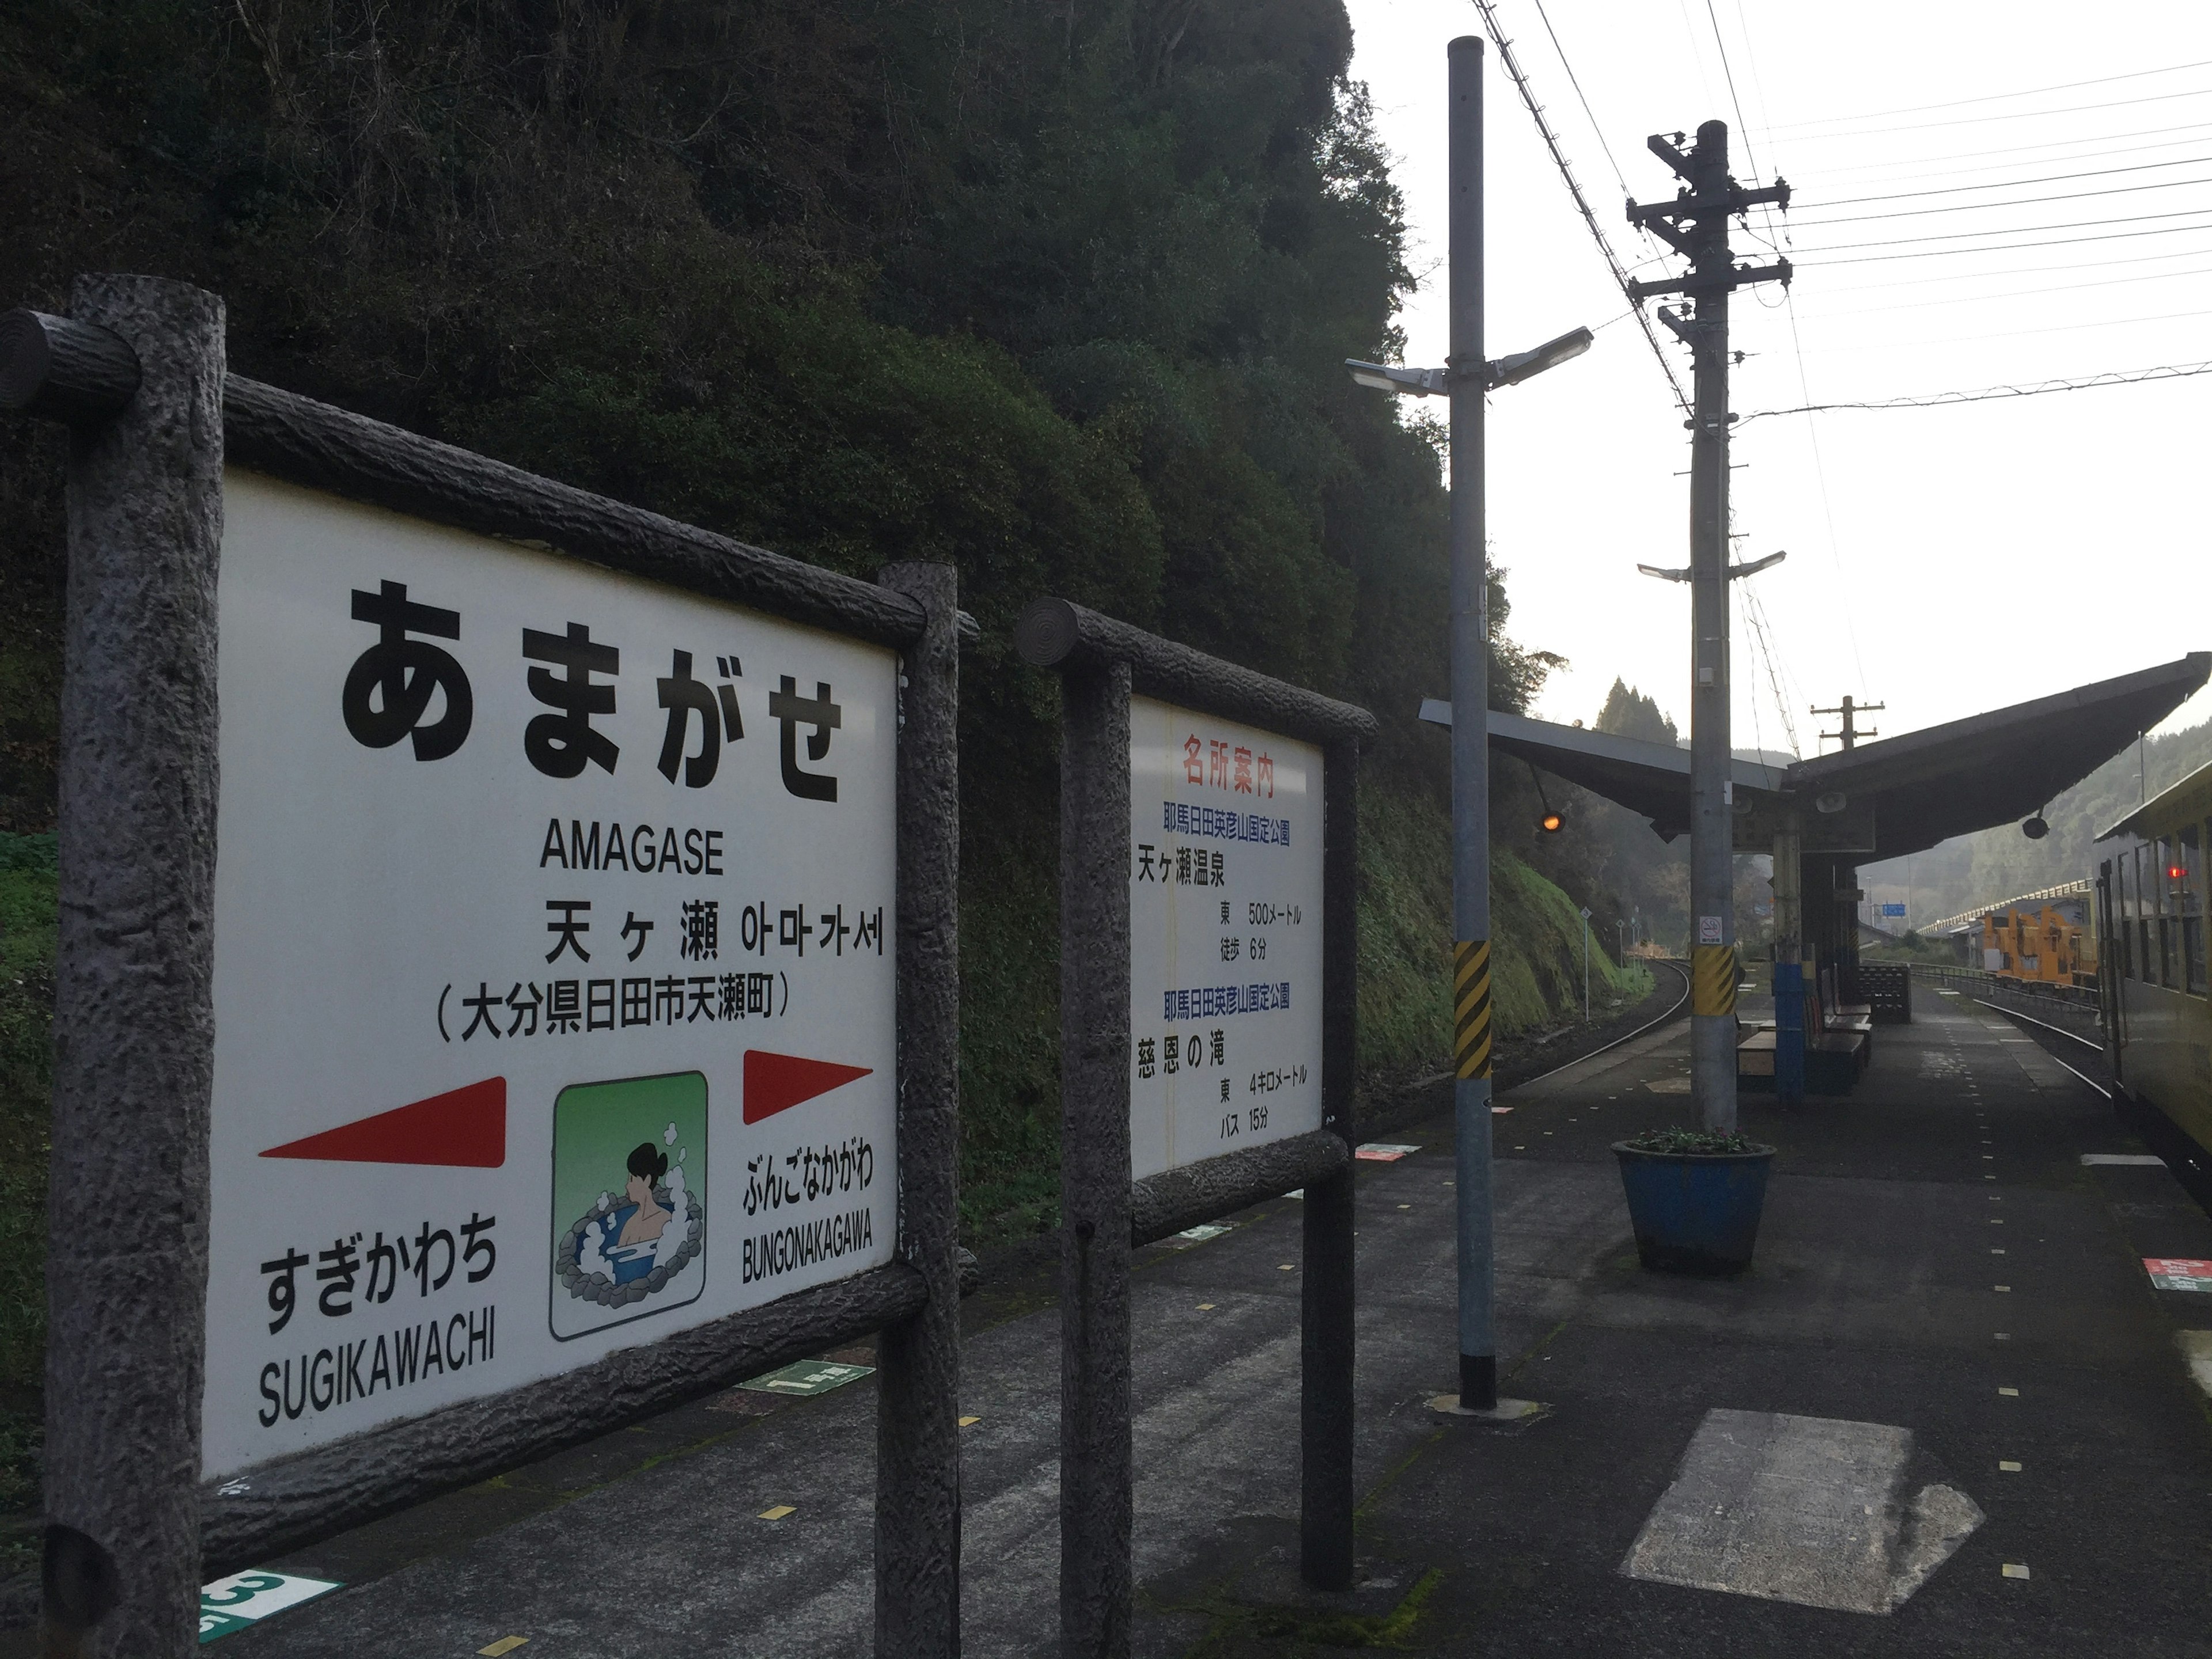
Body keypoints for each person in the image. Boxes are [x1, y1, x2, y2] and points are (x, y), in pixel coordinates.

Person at [616, 1142, 673, 1248]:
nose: (627, 1185)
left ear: (647, 1180)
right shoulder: (630, 1224)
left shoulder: (666, 1219)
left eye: (632, 1179)